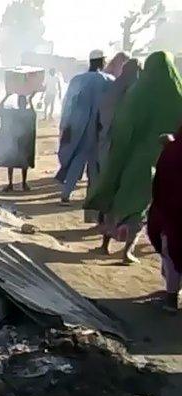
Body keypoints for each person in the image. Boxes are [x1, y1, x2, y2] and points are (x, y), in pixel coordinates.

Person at [86, 51, 182, 264]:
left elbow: (122, 124)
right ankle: (127, 251)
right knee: (141, 204)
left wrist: (117, 150)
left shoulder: (137, 93)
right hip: (160, 158)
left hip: (129, 154)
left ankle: (105, 245)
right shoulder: (177, 94)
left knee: (117, 196)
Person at [56, 50, 115, 204]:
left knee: (77, 158)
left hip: (77, 126)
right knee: (95, 164)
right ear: (102, 62)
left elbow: (67, 103)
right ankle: (93, 198)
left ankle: (66, 192)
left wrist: (64, 124)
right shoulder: (109, 80)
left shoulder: (77, 80)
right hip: (98, 127)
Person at [88, 58, 141, 223]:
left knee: (106, 181)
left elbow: (102, 117)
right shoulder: (140, 92)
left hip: (107, 144)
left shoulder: (113, 89)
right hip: (126, 148)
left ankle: (103, 220)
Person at [148, 129, 182, 311]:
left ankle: (171, 298)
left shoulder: (174, 152)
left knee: (171, 249)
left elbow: (162, 185)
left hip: (174, 214)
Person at [0, 93, 37, 191]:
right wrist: (30, 101)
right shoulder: (28, 113)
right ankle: (23, 184)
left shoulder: (12, 113)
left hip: (14, 141)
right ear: (25, 103)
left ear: (18, 103)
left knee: (11, 163)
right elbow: (34, 114)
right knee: (24, 163)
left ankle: (10, 184)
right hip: (25, 142)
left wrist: (6, 96)